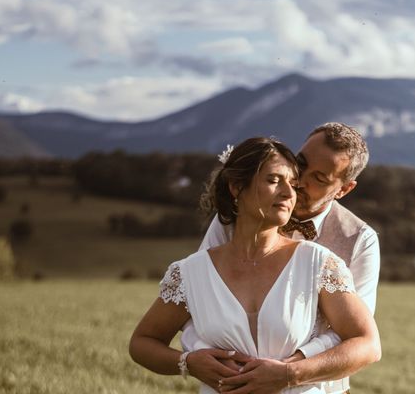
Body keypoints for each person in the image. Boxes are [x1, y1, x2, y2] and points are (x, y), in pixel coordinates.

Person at [130, 137, 381, 394]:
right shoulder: (190, 270)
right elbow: (147, 339)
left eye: (295, 183)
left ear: (343, 189)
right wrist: (190, 361)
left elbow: (366, 342)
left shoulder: (323, 260)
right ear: (237, 187)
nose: (293, 190)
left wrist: (288, 373)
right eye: (274, 180)